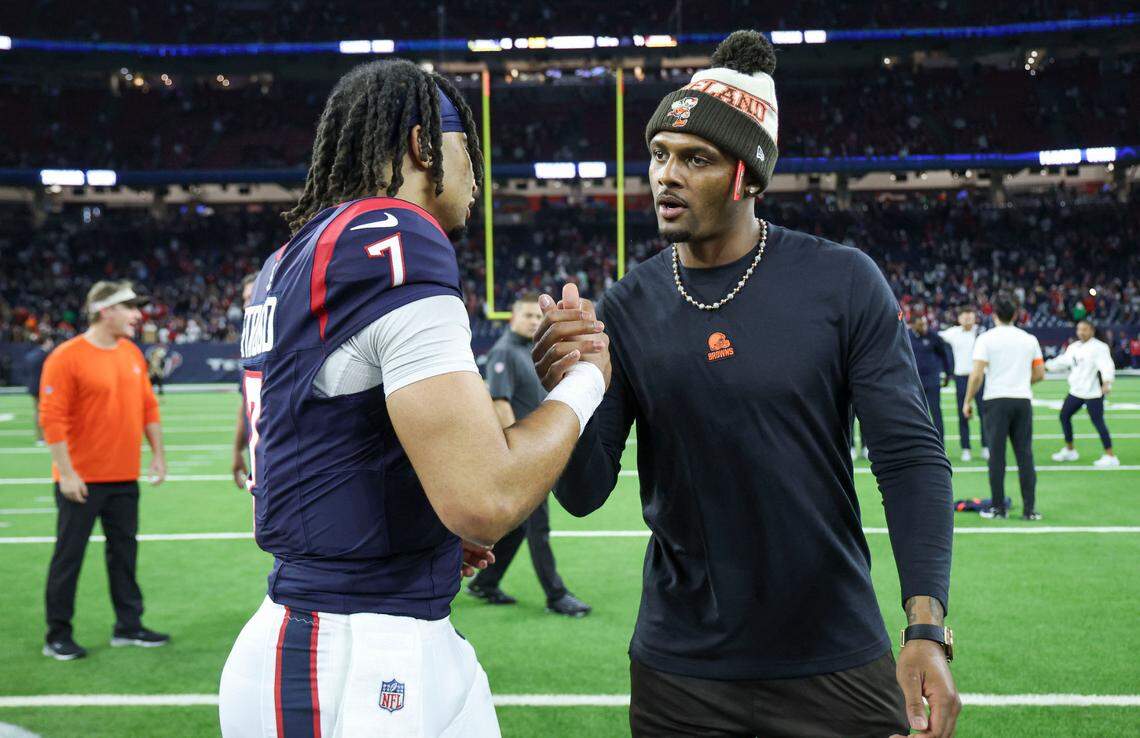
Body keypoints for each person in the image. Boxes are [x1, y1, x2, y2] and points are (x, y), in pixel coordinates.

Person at [534, 31, 959, 738]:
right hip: (681, 673)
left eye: (695, 159)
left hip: (832, 656)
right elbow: (583, 493)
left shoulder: (841, 281)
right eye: (660, 154)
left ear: (747, 177)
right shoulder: (627, 305)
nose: (665, 175)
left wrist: (926, 624)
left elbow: (910, 459)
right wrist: (566, 394)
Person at [218, 60, 610, 738]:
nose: (478, 174)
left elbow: (328, 432)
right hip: (349, 650)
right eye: (468, 148)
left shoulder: (288, 259)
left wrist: (418, 526)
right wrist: (590, 376)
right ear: (424, 145)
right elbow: (485, 500)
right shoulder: (394, 235)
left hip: (364, 626)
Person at [38, 280, 169, 660]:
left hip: (124, 477)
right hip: (81, 481)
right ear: (104, 311)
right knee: (69, 558)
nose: (136, 315)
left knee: (124, 556)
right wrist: (67, 473)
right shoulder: (66, 357)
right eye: (128, 307)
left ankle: (128, 626)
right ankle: (57, 634)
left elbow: (149, 408)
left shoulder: (130, 352)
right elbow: (52, 418)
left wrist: (158, 455)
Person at [466, 294, 592, 617]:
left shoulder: (528, 351)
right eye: (527, 316)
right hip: (525, 455)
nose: (535, 322)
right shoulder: (504, 352)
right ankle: (556, 594)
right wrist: (517, 453)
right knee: (539, 527)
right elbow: (500, 402)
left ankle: (485, 583)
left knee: (522, 527)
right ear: (512, 319)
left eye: (538, 318)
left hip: (535, 449)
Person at [963, 292, 1045, 520]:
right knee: (1025, 456)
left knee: (997, 457)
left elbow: (977, 375)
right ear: (1016, 314)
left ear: (994, 314)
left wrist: (967, 401)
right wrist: (1018, 381)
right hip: (1021, 399)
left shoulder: (986, 339)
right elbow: (1040, 373)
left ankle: (999, 508)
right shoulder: (1029, 339)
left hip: (996, 401)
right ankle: (1030, 510)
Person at [1047, 320, 1118, 467]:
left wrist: (1107, 382)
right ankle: (1070, 450)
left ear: (1092, 330)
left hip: (1093, 393)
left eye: (1084, 329)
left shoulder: (1099, 347)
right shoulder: (1074, 347)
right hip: (1076, 391)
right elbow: (1062, 361)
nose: (1081, 332)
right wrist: (1045, 366)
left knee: (1098, 422)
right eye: (1079, 329)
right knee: (1064, 416)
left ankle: (1110, 456)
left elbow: (1107, 365)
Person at [940, 308, 988, 461]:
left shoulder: (982, 332)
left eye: (970, 317)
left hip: (980, 376)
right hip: (961, 377)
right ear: (959, 319)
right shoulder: (953, 333)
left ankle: (986, 446)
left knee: (984, 413)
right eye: (964, 317)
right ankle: (966, 448)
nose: (967, 320)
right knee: (963, 414)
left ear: (975, 318)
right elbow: (935, 337)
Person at [231, 273, 258, 490]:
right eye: (245, 299)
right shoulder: (250, 346)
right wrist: (237, 450)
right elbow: (246, 405)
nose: (247, 305)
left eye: (253, 297)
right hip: (259, 461)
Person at [908, 314, 953, 443]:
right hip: (915, 382)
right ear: (912, 325)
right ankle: (920, 444)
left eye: (925, 324)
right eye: (921, 324)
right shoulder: (906, 336)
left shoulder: (933, 336)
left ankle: (941, 444)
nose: (924, 327)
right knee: (917, 414)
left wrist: (948, 373)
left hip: (932, 380)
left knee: (936, 412)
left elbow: (944, 353)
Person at [23, 334, 54, 446]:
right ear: (46, 342)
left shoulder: (32, 354)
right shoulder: (45, 355)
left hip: (33, 386)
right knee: (44, 412)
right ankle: (43, 437)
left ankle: (40, 437)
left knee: (37, 411)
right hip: (43, 387)